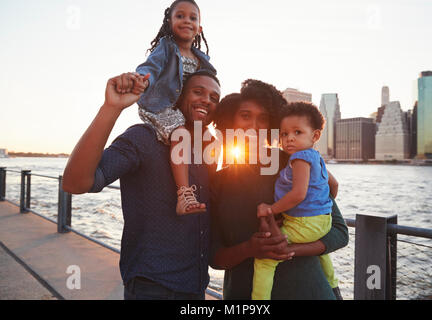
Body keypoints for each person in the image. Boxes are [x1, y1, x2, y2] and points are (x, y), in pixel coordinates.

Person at [62, 70, 221, 300]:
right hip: (152, 286)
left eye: (214, 97)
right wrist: (111, 108)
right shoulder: (144, 138)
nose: (206, 99)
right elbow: (75, 183)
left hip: (196, 287)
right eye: (198, 92)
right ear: (177, 96)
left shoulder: (208, 151)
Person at [210, 79, 348, 300]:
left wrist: (288, 249)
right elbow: (214, 257)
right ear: (231, 120)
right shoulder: (217, 181)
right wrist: (251, 248)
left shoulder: (295, 163)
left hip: (310, 292)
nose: (254, 125)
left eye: (263, 118)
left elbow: (339, 232)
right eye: (245, 115)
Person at [118, 0, 217, 215]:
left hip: (185, 111)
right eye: (180, 16)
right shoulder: (166, 47)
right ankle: (183, 193)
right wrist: (142, 80)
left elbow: (210, 84)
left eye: (193, 18)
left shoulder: (203, 60)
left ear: (199, 28)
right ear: (169, 22)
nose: (186, 21)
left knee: (210, 140)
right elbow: (150, 67)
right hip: (161, 106)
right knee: (181, 134)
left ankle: (211, 187)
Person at [252, 102, 339, 300]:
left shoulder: (299, 158)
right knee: (320, 250)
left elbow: (298, 194)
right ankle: (333, 286)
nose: (289, 138)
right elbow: (334, 185)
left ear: (315, 136)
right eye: (284, 134)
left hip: (305, 224)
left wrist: (271, 209)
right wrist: (320, 204)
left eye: (297, 132)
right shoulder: (317, 158)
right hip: (322, 221)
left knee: (265, 260)